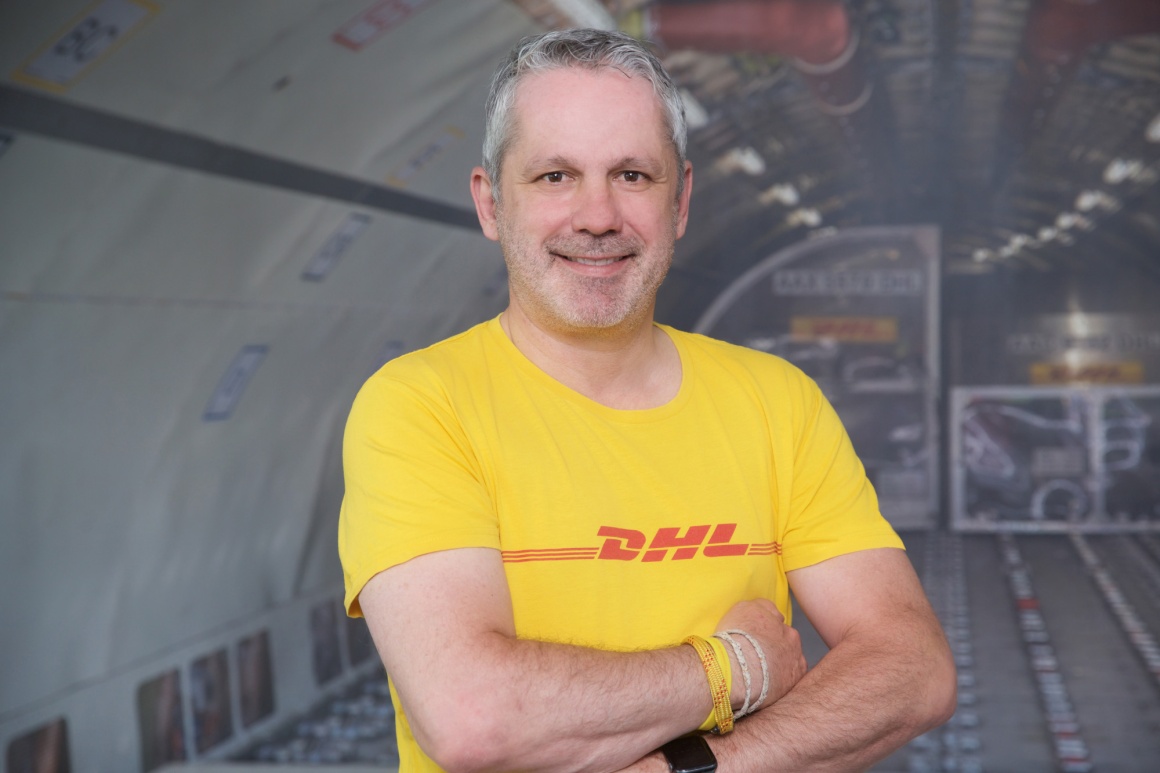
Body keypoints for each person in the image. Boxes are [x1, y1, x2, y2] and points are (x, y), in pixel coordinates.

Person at [338, 28, 955, 773]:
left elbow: (913, 668)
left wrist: (688, 768)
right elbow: (475, 717)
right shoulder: (419, 405)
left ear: (682, 199)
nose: (597, 216)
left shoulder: (776, 402)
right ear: (491, 202)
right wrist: (735, 667)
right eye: (554, 176)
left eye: (632, 175)